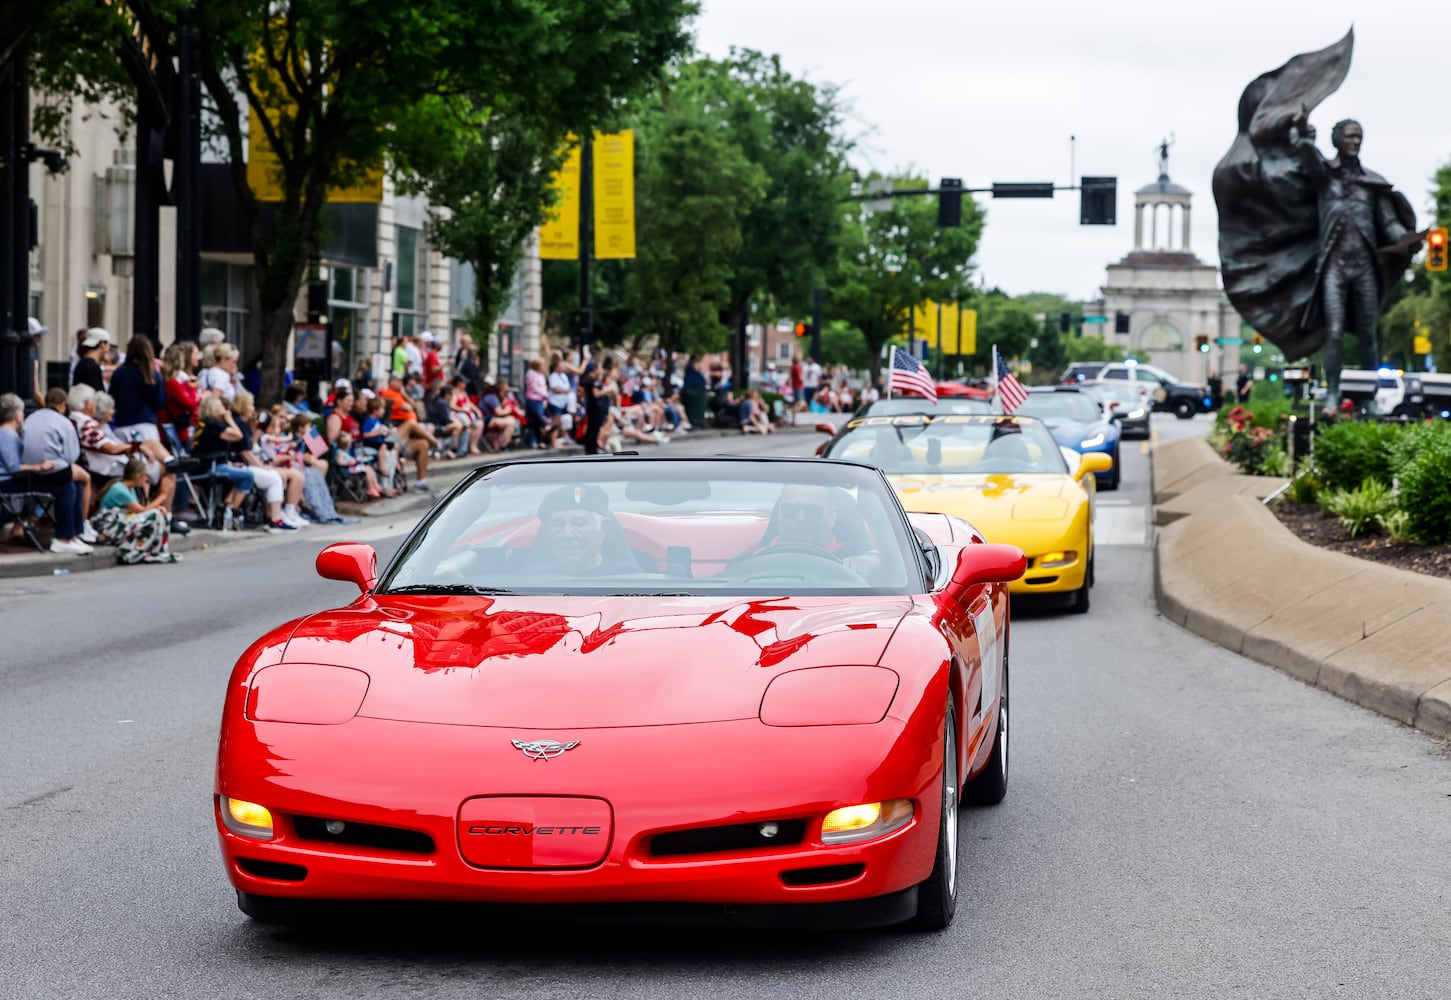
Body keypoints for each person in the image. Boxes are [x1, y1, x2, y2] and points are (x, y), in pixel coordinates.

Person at [0, 392, 91, 555]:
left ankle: (71, 534)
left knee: (70, 485)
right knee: (65, 487)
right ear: (16, 415)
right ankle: (65, 536)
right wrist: (38, 467)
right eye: (21, 412)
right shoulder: (6, 436)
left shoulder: (15, 432)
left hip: (15, 481)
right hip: (7, 484)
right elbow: (14, 468)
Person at [526, 485, 640, 576]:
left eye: (579, 523)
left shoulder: (628, 580)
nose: (567, 534)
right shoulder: (528, 579)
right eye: (558, 524)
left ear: (603, 528)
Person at [92, 456, 178, 564]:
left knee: (161, 514)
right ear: (138, 476)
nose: (146, 479)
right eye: (145, 475)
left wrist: (158, 507)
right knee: (154, 515)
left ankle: (156, 550)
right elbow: (142, 510)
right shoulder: (119, 490)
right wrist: (163, 495)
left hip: (120, 523)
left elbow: (137, 510)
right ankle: (131, 552)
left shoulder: (130, 488)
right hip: (108, 529)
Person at [72, 328, 111, 392]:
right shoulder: (91, 367)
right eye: (108, 344)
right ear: (102, 344)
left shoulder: (83, 363)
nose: (108, 348)